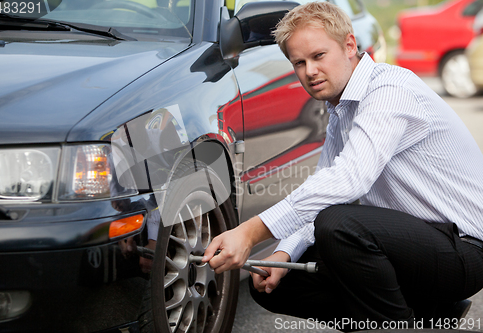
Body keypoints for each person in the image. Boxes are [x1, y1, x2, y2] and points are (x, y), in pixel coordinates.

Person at [202, 2, 483, 330]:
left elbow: (349, 181)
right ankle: (424, 312)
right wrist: (284, 254)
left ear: (350, 45)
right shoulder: (340, 109)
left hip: (463, 251)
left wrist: (250, 232)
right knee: (273, 282)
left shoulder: (389, 90)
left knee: (338, 225)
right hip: (414, 246)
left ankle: (407, 318)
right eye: (299, 62)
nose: (310, 71)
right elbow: (325, 193)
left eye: (318, 56)